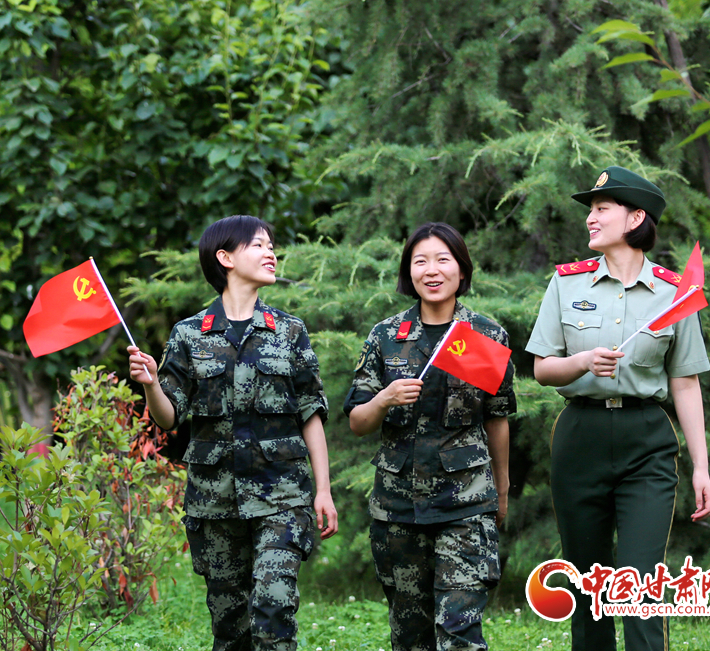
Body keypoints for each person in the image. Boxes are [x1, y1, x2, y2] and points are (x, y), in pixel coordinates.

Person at [127, 214, 338, 651]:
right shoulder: (189, 335)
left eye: (271, 246)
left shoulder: (290, 331)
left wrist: (323, 490)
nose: (270, 253)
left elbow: (310, 413)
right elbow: (169, 416)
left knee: (274, 609)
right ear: (225, 257)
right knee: (230, 629)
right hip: (215, 502)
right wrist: (150, 385)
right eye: (258, 245)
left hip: (282, 496)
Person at [526, 166, 710, 651]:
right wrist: (583, 362)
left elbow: (685, 382)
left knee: (641, 585)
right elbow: (542, 369)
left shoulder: (675, 294)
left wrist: (701, 467)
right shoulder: (566, 284)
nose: (590, 218)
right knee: (587, 586)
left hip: (646, 441)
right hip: (580, 437)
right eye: (590, 209)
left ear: (635, 218)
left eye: (601, 208)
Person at [344, 222, 515, 651]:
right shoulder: (387, 336)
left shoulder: (482, 336)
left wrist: (502, 490)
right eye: (420, 261)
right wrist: (384, 399)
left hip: (466, 503)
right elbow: (358, 422)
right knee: (410, 637)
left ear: (462, 269)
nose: (432, 270)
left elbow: (497, 418)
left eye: (443, 259)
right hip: (398, 508)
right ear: (409, 271)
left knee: (459, 632)